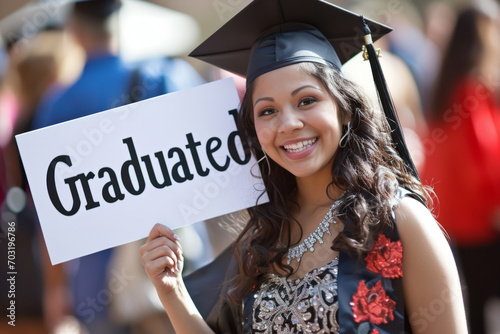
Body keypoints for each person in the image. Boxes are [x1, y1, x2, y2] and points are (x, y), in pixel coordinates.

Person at [140, 0, 467, 333]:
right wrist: (172, 292)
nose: (289, 123)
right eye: (267, 111)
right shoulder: (260, 241)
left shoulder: (397, 220)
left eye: (307, 100)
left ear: (345, 109)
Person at [32, 1, 203, 333]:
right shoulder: (173, 76)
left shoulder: (59, 104)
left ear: (75, 32)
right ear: (120, 24)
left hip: (99, 289)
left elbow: (51, 215)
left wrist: (54, 289)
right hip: (183, 268)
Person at [422, 2, 500, 333]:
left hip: (453, 220)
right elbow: (485, 162)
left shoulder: (446, 87)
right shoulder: (470, 90)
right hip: (480, 221)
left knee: (475, 307)